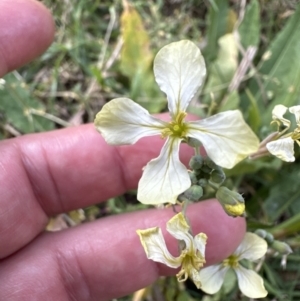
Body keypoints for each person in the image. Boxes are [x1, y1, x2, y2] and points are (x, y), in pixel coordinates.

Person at [0, 1, 246, 300]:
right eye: (175, 128)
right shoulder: (173, 130)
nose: (175, 128)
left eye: (177, 129)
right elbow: (113, 121)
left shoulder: (184, 132)